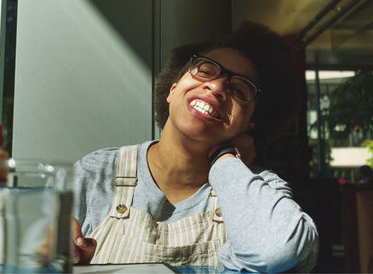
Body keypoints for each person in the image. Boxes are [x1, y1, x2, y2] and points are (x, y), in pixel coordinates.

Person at [71, 21, 319, 272]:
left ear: (248, 126)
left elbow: (278, 250)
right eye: (206, 70)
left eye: (239, 89)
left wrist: (225, 159)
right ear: (173, 90)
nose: (217, 86)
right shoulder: (97, 172)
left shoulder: (263, 189)